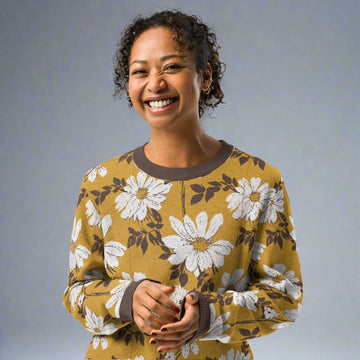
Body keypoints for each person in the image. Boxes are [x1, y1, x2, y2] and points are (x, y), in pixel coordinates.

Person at [62, 10, 303, 360]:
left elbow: (285, 298)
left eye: (171, 67)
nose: (155, 83)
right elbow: (77, 292)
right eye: (140, 71)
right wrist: (127, 299)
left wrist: (207, 316)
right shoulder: (102, 184)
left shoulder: (258, 183)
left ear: (205, 77)